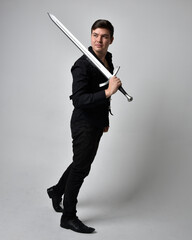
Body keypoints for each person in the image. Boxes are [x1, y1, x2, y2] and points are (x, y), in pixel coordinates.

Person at [47, 19, 121, 234]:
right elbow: (79, 100)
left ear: (111, 40)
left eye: (104, 36)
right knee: (81, 168)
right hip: (83, 123)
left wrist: (104, 121)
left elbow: (104, 91)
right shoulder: (81, 65)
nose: (99, 40)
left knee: (80, 163)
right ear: (91, 36)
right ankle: (68, 217)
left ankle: (56, 191)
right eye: (95, 35)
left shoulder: (107, 58)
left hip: (97, 122)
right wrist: (109, 91)